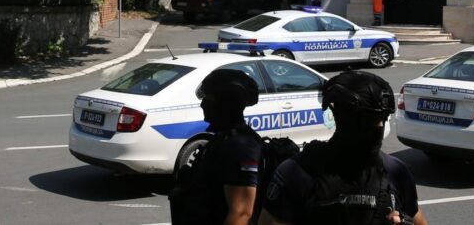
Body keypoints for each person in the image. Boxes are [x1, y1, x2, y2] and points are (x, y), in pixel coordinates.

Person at [259, 71, 428, 225]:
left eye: (383, 119)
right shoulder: (298, 173)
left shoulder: (396, 172)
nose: (379, 127)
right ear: (344, 118)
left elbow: (417, 219)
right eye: (370, 120)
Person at [169, 69, 263, 225]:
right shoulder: (222, 140)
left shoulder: (241, 146)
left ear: (225, 103)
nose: (202, 104)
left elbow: (241, 213)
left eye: (209, 98)